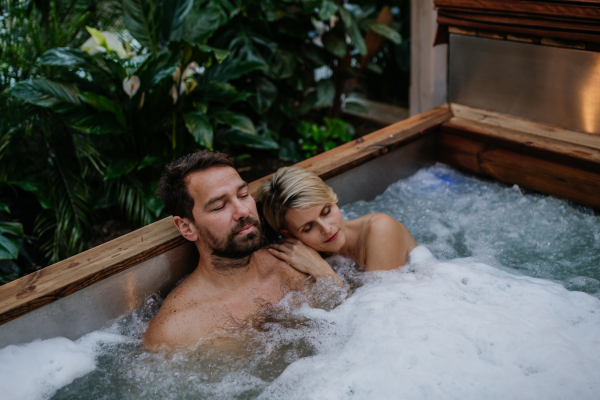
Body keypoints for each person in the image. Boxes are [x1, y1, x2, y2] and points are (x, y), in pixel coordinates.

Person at [143, 151, 341, 349]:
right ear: (187, 227)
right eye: (220, 206)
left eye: (243, 195)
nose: (243, 211)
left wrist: (327, 274)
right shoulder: (174, 331)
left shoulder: (297, 262)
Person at [256, 167, 417, 273]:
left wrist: (323, 272)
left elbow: (376, 312)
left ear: (333, 199)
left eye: (326, 212)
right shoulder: (305, 255)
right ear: (288, 235)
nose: (326, 229)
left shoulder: (381, 229)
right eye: (308, 228)